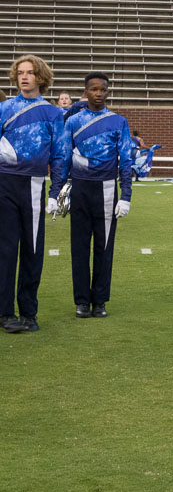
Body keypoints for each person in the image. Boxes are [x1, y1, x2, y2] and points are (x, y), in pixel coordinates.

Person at [1, 55, 69, 333]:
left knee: (32, 250)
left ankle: (29, 312)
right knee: (5, 250)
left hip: (34, 185)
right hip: (4, 182)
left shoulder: (53, 113)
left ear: (41, 77)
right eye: (20, 73)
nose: (24, 77)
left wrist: (55, 191)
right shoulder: (4, 108)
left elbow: (60, 155)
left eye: (30, 73)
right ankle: (5, 313)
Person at [59, 72, 134, 319]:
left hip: (106, 189)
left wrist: (126, 196)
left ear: (107, 92)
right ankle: (81, 301)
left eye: (103, 89)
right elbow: (64, 158)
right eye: (93, 89)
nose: (98, 94)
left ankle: (100, 300)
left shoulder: (118, 122)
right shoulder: (72, 121)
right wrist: (57, 190)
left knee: (104, 247)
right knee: (79, 248)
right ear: (86, 92)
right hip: (80, 188)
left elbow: (126, 161)